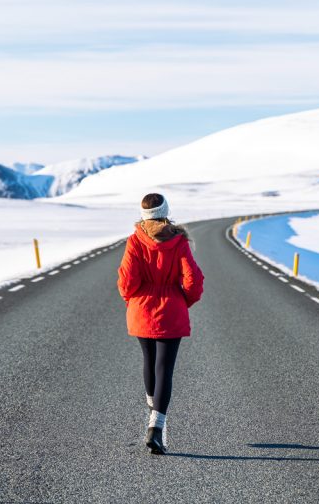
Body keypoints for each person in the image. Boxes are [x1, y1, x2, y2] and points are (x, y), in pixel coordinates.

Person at [117, 193, 204, 455]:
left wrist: (133, 302)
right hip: (171, 311)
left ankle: (153, 411)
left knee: (149, 361)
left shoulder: (134, 241)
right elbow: (193, 280)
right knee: (165, 368)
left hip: (141, 310)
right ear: (165, 211)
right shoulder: (179, 241)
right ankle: (156, 427)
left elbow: (126, 282)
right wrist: (181, 301)